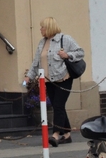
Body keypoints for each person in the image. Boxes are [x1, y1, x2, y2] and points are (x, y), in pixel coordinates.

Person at [24, 17, 84, 147]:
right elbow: (36, 62)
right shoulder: (42, 42)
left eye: (42, 27)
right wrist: (29, 76)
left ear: (49, 27)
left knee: (58, 105)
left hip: (63, 78)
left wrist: (67, 55)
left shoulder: (65, 39)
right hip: (48, 80)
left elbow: (80, 52)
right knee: (59, 106)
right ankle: (67, 135)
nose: (40, 29)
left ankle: (56, 134)